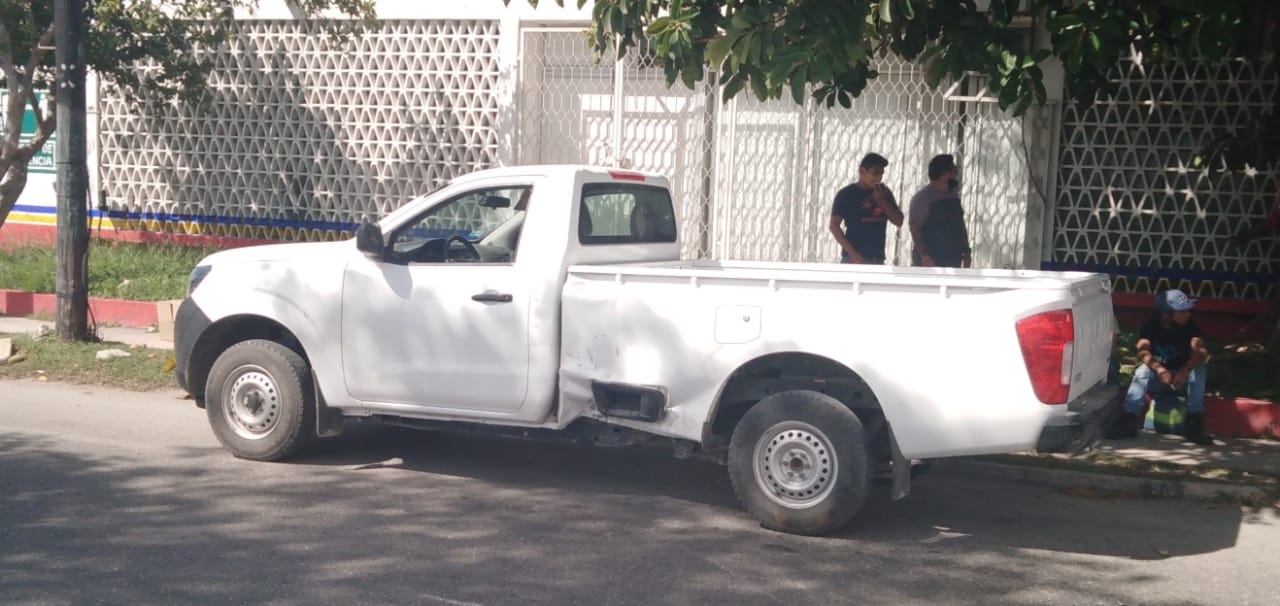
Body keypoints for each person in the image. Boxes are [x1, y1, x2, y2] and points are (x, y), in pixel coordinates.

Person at [1105, 289, 1215, 445]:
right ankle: (1128, 420)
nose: (1187, 314)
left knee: (1199, 372)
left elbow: (1201, 351)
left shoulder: (1191, 327)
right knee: (1142, 372)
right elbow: (1142, 352)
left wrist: (1186, 369)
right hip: (1159, 379)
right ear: (1166, 314)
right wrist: (1159, 369)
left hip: (1181, 380)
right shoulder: (1150, 327)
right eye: (1181, 311)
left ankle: (1194, 424)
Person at [828, 153, 904, 264]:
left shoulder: (883, 192)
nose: (878, 178)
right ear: (862, 171)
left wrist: (882, 201)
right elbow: (834, 226)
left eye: (881, 174)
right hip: (852, 259)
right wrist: (852, 253)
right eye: (874, 173)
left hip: (877, 258)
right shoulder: (846, 194)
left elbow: (899, 221)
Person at [908, 154, 972, 268]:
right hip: (931, 261)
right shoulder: (923, 198)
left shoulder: (953, 197)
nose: (956, 176)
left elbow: (960, 226)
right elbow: (914, 229)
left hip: (953, 259)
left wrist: (966, 252)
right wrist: (925, 257)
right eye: (954, 172)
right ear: (945, 175)